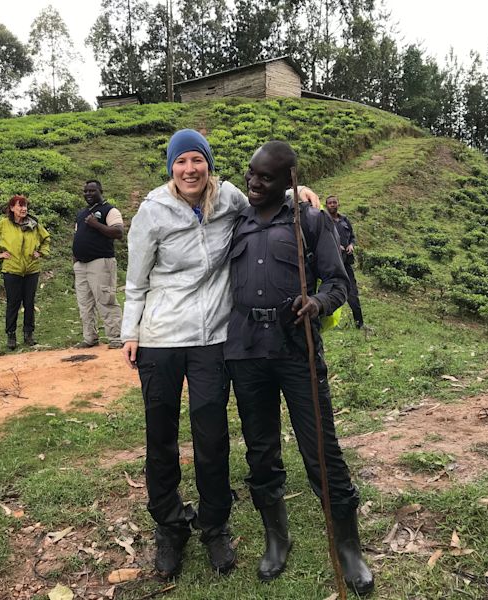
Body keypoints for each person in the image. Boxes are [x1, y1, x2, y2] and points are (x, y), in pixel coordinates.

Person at [120, 129, 317, 579]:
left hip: (212, 340)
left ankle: (214, 525)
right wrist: (129, 332)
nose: (190, 169)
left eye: (197, 160)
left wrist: (296, 191)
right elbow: (136, 280)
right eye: (181, 161)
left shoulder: (229, 198)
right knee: (161, 437)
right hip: (161, 339)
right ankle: (170, 525)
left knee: (211, 437)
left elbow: (267, 206)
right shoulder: (152, 212)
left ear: (209, 163)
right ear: (170, 167)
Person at [225, 142, 374, 595]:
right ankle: (277, 537)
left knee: (321, 450)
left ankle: (348, 547)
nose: (253, 183)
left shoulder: (311, 221)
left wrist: (317, 301)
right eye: (250, 174)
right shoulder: (236, 221)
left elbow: (338, 282)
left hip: (297, 349)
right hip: (246, 350)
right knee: (260, 448)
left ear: (289, 180)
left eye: (265, 177)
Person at [0, 194, 50, 350]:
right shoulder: (3, 225)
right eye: (20, 205)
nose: (24, 209)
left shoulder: (34, 225)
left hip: (31, 269)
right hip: (12, 270)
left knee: (29, 302)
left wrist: (40, 253)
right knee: (13, 303)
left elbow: (46, 239)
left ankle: (28, 334)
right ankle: (11, 335)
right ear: (12, 208)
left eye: (25, 205)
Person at [72, 180, 124, 349]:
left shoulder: (110, 210)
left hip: (101, 262)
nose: (88, 194)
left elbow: (118, 232)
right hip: (81, 265)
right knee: (85, 303)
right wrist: (75, 257)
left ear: (100, 191)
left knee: (106, 300)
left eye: (92, 191)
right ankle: (90, 338)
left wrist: (96, 224)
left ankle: (116, 338)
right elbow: (78, 235)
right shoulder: (81, 214)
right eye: (86, 191)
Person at [326, 195, 364, 328]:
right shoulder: (324, 221)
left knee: (352, 292)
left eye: (334, 202)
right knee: (330, 293)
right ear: (326, 205)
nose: (332, 205)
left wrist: (351, 245)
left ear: (338, 204)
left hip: (346, 263)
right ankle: (328, 323)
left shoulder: (344, 220)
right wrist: (336, 245)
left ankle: (359, 323)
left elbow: (352, 236)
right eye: (329, 203)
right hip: (332, 265)